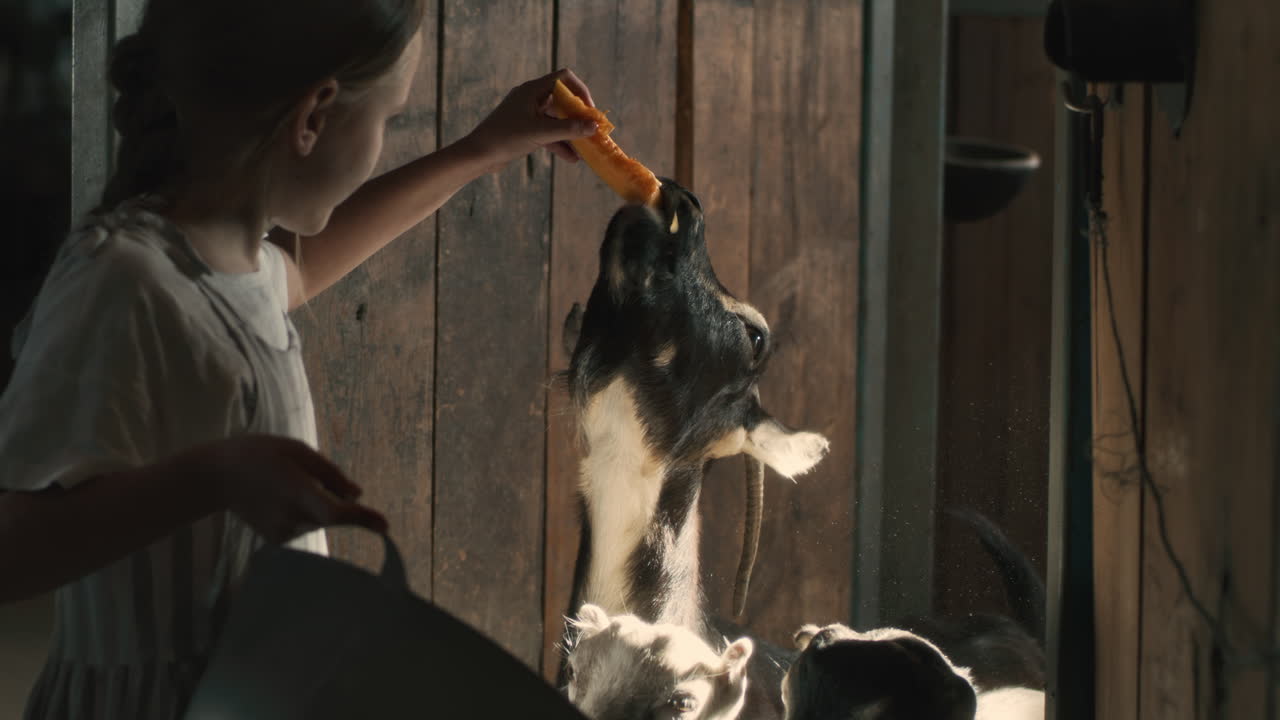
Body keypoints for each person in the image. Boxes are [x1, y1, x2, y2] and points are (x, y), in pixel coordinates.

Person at [0, 1, 598, 717]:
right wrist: (213, 478)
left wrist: (484, 148)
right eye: (391, 120)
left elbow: (304, 269)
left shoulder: (236, 263)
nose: (385, 139)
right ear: (313, 115)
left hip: (250, 692)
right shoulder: (119, 282)